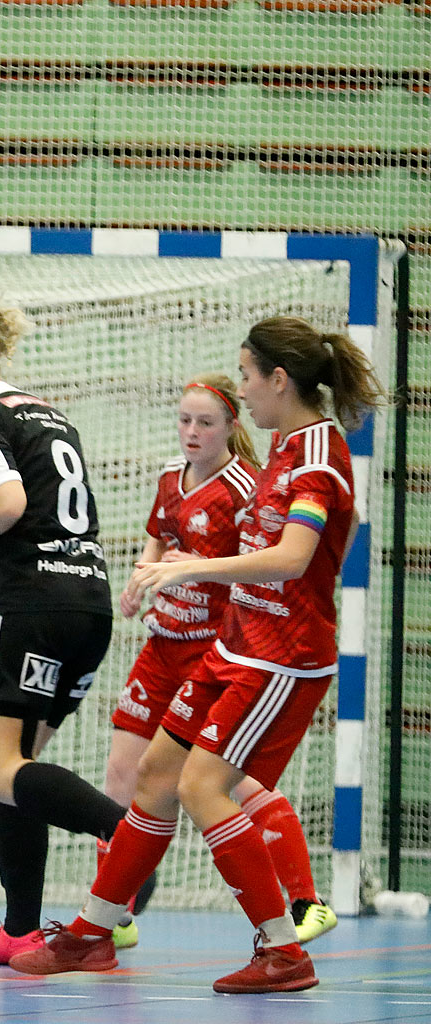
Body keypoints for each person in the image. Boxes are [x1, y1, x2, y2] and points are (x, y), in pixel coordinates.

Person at [11, 316, 385, 994]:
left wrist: (192, 570)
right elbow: (330, 533)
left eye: (247, 375)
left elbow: (298, 557)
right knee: (154, 773)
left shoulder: (316, 458)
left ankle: (284, 950)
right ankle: (94, 933)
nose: (243, 388)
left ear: (279, 380)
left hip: (278, 657)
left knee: (202, 787)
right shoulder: (286, 443)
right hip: (236, 643)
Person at [0, 298, 127, 966]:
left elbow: (7, 505)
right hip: (84, 604)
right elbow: (55, 521)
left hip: (37, 607)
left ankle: (126, 836)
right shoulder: (47, 410)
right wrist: (1, 591)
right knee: (19, 766)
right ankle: (19, 928)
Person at [103, 375, 335, 950]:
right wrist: (140, 580)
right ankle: (115, 910)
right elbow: (158, 538)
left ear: (232, 426)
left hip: (216, 647)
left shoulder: (246, 486)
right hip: (163, 644)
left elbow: (265, 561)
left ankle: (305, 900)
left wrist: (194, 568)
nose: (191, 432)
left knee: (228, 781)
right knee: (122, 775)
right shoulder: (168, 477)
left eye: (205, 422)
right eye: (184, 420)